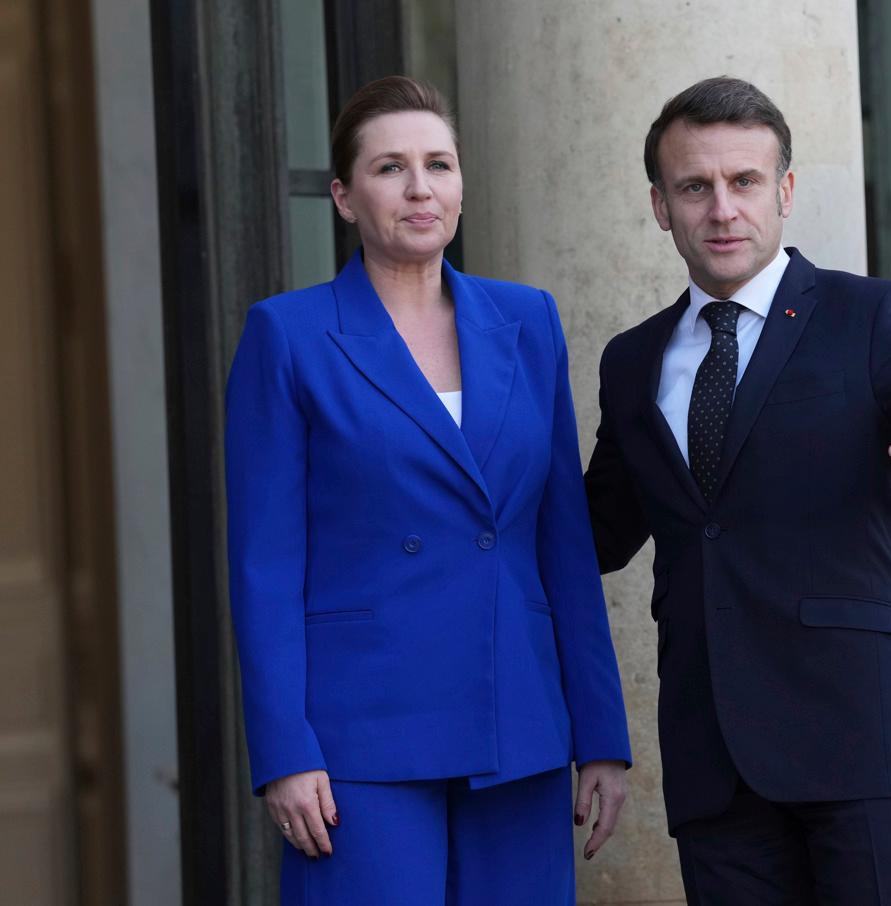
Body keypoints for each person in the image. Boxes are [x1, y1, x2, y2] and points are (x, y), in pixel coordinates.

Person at [584, 76, 891, 904]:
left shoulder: (872, 315)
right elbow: (596, 533)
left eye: (745, 182)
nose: (723, 209)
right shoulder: (632, 360)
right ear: (660, 205)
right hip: (716, 765)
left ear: (785, 191)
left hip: (871, 749)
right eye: (695, 186)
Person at [225, 76, 630, 904]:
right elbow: (264, 565)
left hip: (517, 722)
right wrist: (284, 750)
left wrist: (602, 737)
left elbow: (563, 541)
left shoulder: (529, 322)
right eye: (389, 168)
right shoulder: (287, 334)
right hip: (358, 740)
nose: (420, 189)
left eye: (438, 165)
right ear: (343, 195)